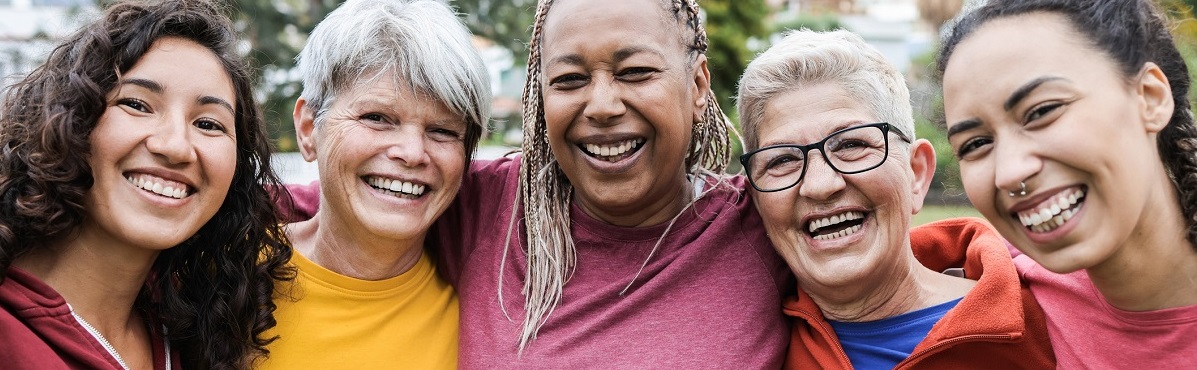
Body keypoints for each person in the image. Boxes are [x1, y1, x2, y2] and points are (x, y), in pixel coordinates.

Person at [281, 0, 791, 366]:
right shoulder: (489, 206)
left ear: (699, 85)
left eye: (635, 72)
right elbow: (317, 201)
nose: (603, 105)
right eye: (569, 80)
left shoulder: (766, 222)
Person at [736, 29, 1054, 369]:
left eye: (850, 145)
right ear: (755, 199)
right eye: (782, 160)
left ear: (916, 174)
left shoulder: (1050, 322)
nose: (820, 185)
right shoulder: (737, 348)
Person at [0, 0, 293, 369]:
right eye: (137, 104)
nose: (174, 147)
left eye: (208, 124)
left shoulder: (192, 329)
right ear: (65, 121)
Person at [938, 0, 1197, 367]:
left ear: (1150, 98)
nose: (1010, 172)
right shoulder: (999, 294)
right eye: (976, 144)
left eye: (1042, 111)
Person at [255, 0, 490, 368]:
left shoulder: (488, 326)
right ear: (308, 130)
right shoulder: (220, 278)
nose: (413, 153)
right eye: (377, 117)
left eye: (442, 130)